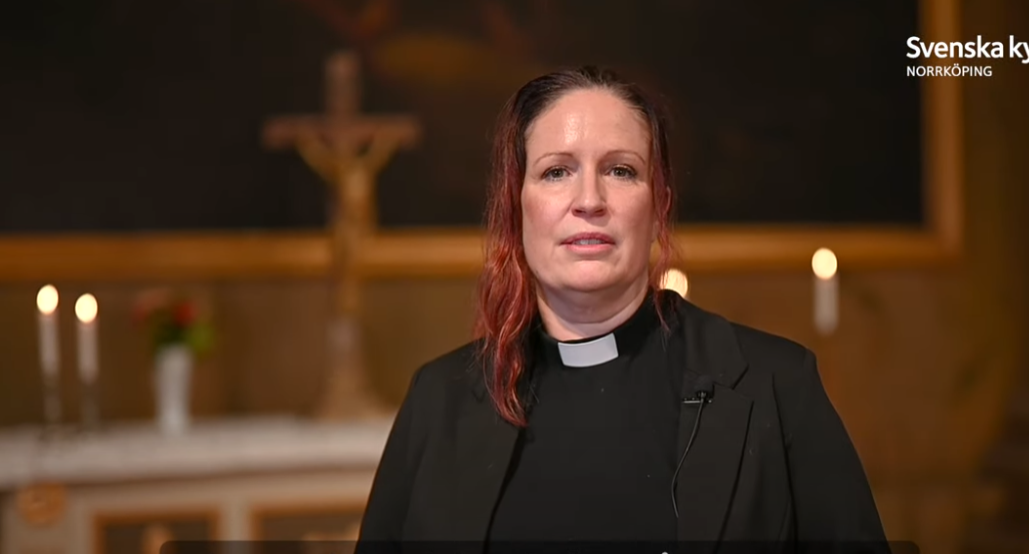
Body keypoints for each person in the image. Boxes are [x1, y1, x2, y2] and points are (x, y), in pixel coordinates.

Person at [356, 66, 888, 552]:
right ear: (516, 206)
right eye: (556, 172)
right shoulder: (439, 401)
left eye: (620, 170)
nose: (589, 200)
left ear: (659, 207)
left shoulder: (776, 387)